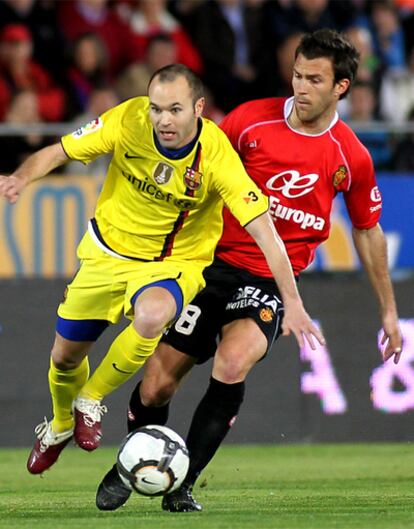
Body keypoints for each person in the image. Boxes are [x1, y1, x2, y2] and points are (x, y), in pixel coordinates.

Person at [95, 29, 403, 513]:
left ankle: (181, 482)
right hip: (210, 266)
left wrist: (389, 310)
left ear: (340, 87)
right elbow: (196, 172)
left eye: (315, 80)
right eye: (298, 75)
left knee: (233, 362)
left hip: (269, 282)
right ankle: (131, 461)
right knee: (156, 384)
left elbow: (368, 231)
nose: (301, 87)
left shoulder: (350, 157)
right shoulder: (249, 122)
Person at [0, 64, 323, 476]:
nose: (163, 120)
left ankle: (92, 398)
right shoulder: (128, 118)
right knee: (64, 358)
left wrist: (291, 301)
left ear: (199, 109)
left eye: (174, 109)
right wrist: (21, 177)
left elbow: (265, 231)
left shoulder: (217, 156)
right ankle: (61, 425)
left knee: (152, 316)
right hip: (106, 253)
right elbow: (60, 150)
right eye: (156, 109)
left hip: (173, 264)